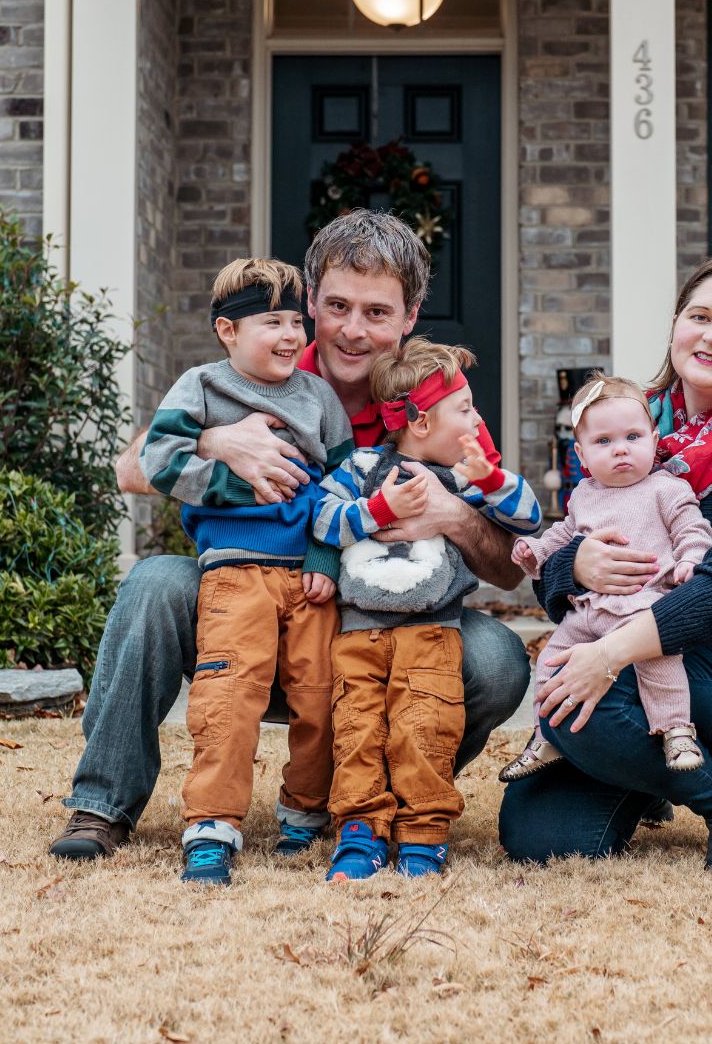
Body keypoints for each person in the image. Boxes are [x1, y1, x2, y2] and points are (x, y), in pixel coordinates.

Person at [49, 210, 530, 861]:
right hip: (245, 601)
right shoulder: (257, 365)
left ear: (411, 315)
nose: (353, 331)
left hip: (373, 629)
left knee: (496, 655)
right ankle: (102, 805)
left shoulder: (436, 405)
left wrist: (451, 515)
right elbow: (130, 468)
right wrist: (217, 439)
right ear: (310, 301)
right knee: (154, 582)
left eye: (377, 313)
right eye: (336, 306)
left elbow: (508, 569)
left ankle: (370, 799)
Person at [498, 254, 712, 874]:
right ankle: (649, 770)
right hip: (643, 658)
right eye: (699, 316)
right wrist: (575, 565)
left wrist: (608, 654)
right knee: (538, 836)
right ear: (676, 326)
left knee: (582, 686)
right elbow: (566, 542)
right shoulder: (626, 425)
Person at [138, 257, 353, 885]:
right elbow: (158, 461)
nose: (290, 336)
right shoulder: (203, 387)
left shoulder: (318, 398)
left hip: (311, 581)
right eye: (270, 322)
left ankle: (304, 813)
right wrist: (234, 478)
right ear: (228, 331)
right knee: (227, 696)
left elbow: (345, 483)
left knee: (323, 697)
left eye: (295, 321)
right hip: (236, 575)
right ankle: (212, 826)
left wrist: (327, 554)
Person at [312, 338, 541, 880]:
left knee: (426, 729)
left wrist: (489, 478)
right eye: (464, 408)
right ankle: (359, 831)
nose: (476, 417)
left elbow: (529, 520)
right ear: (418, 422)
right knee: (358, 730)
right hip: (358, 634)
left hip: (432, 633)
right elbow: (320, 519)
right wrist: (376, 511)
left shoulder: (464, 479)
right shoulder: (364, 468)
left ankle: (424, 832)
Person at [500, 373, 712, 783]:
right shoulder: (583, 494)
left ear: (654, 438)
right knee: (548, 660)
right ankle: (544, 736)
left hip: (643, 608)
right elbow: (563, 535)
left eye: (633, 437)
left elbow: (693, 528)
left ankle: (676, 730)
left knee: (660, 662)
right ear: (581, 454)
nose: (621, 450)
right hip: (588, 610)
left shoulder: (665, 489)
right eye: (604, 442)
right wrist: (537, 551)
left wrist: (691, 560)